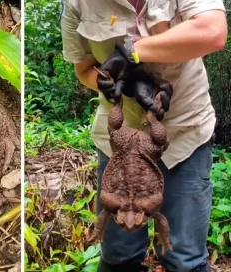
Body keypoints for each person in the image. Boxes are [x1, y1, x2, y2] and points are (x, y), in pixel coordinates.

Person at [60, 1, 228, 272]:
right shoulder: (77, 3)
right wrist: (110, 83)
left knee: (184, 259)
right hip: (119, 139)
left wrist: (130, 51)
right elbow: (84, 70)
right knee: (118, 257)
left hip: (184, 130)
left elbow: (213, 31)